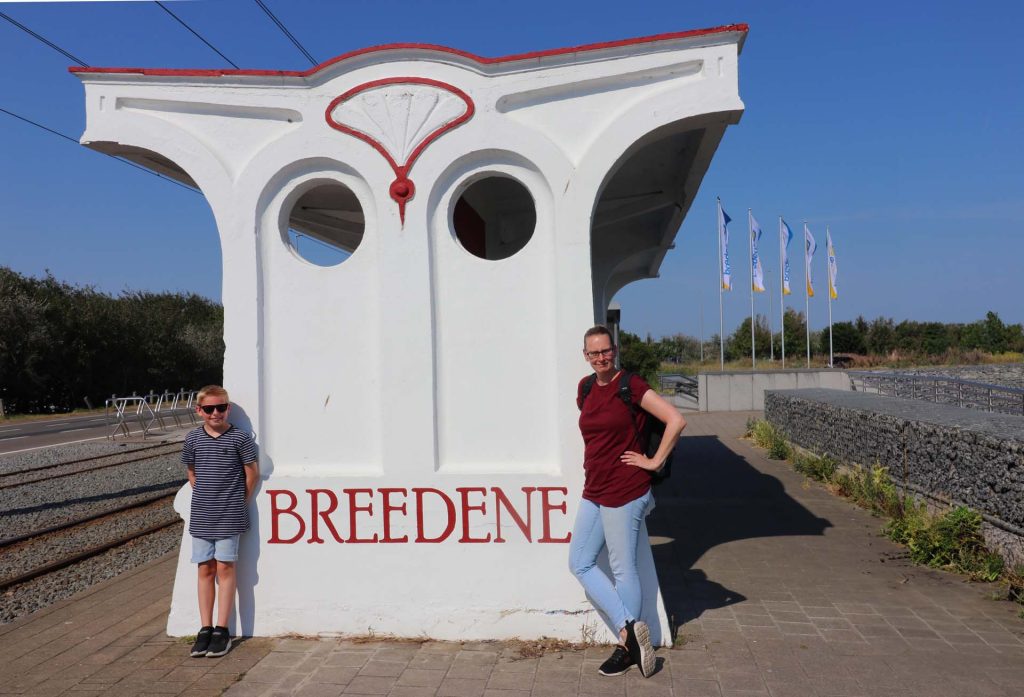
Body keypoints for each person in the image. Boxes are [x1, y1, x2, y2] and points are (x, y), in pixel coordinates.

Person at [569, 325, 686, 678]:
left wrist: (654, 461)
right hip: (595, 488)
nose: (601, 357)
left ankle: (626, 649)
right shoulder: (586, 388)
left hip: (626, 489)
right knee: (579, 562)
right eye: (594, 353)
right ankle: (630, 633)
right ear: (586, 356)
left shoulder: (630, 385)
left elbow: (675, 420)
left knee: (623, 570)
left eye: (606, 351)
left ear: (614, 350)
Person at [182, 385, 259, 658]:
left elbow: (252, 474)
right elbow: (192, 473)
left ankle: (221, 630)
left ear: (228, 408)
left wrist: (239, 502)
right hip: (202, 515)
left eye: (222, 407)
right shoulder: (193, 439)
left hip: (230, 515)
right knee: (205, 569)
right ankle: (204, 628)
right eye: (210, 408)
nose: (216, 413)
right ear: (199, 411)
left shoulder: (240, 439)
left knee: (226, 568)